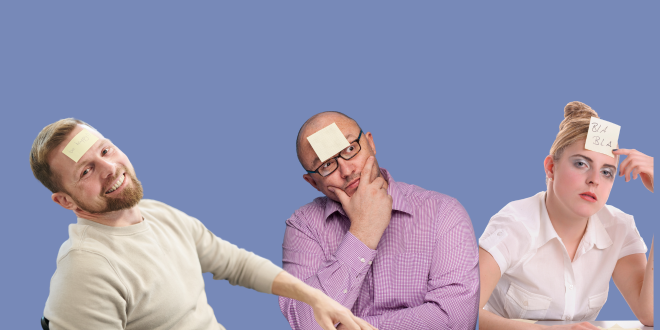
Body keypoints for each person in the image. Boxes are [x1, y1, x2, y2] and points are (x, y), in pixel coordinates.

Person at [31, 118, 377, 330]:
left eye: (104, 151)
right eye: (86, 171)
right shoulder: (87, 269)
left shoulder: (157, 214)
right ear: (66, 201)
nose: (109, 169)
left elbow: (233, 262)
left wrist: (316, 298)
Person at [279, 112, 480, 330]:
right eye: (327, 165)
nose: (347, 171)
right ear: (312, 182)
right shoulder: (304, 226)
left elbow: (456, 321)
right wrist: (363, 232)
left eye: (349, 149)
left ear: (370, 143)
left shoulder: (444, 212)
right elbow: (308, 324)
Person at [478, 102, 654, 330]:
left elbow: (650, 314)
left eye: (606, 172)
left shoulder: (619, 227)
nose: (594, 180)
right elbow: (461, 312)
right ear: (551, 167)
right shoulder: (514, 225)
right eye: (581, 163)